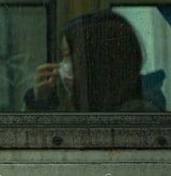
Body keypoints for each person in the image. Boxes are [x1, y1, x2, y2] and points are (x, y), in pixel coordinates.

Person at [24, 10, 162, 112]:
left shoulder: (138, 116)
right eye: (62, 57)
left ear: (97, 65)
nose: (60, 67)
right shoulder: (82, 105)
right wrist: (40, 102)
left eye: (68, 56)